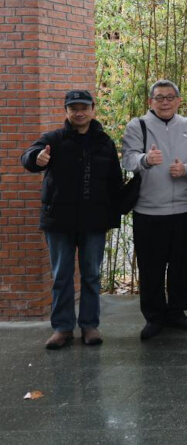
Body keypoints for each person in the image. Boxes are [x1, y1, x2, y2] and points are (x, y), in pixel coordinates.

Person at [21, 90, 123, 349]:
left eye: (84, 107)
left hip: (93, 221)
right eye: (73, 108)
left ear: (93, 109)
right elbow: (28, 156)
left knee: (91, 275)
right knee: (61, 275)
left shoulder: (104, 142)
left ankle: (89, 325)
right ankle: (62, 328)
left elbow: (115, 182)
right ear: (66, 111)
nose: (79, 112)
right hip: (59, 221)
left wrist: (113, 216)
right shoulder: (53, 139)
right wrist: (37, 158)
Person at [122, 80, 187, 340]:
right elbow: (127, 159)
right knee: (151, 267)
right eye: (159, 98)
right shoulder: (138, 125)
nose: (165, 102)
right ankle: (154, 316)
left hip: (185, 209)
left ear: (178, 100)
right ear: (150, 101)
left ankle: (177, 312)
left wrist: (186, 169)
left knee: (182, 265)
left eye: (170, 97)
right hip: (149, 210)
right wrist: (145, 159)